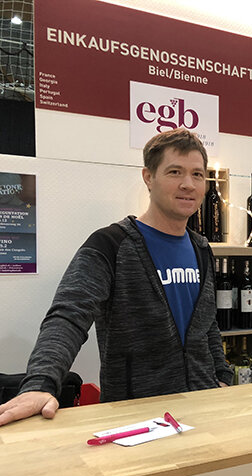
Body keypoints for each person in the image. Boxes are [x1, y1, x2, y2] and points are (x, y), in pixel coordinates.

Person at [0, 128, 232, 427]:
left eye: (197, 174)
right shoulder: (111, 244)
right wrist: (40, 384)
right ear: (148, 177)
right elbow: (68, 316)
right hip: (136, 418)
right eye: (175, 172)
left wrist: (222, 378)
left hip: (203, 407)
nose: (188, 184)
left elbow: (207, 324)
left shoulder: (201, 249)